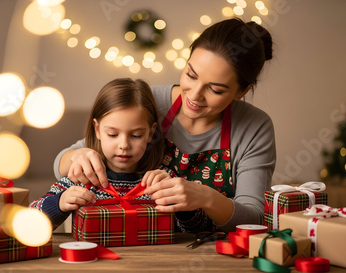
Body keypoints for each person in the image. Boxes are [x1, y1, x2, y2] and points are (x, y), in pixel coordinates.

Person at [53, 18, 276, 233]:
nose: (195, 95)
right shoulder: (148, 103)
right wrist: (78, 156)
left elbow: (254, 219)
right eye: (191, 75)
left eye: (216, 90)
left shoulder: (254, 127)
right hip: (152, 244)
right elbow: (62, 164)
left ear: (241, 91)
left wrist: (205, 197)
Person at [30, 78, 170, 229]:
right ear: (97, 129)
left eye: (136, 135)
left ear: (151, 133)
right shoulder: (82, 177)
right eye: (112, 134)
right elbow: (30, 221)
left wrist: (180, 207)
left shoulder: (160, 180)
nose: (124, 145)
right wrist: (59, 203)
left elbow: (192, 228)